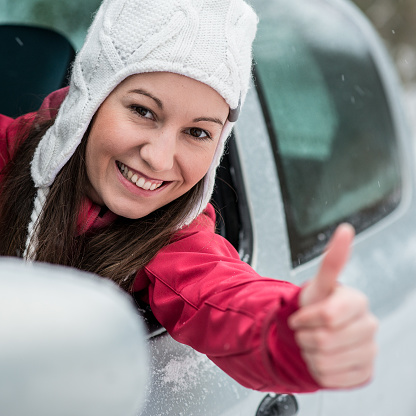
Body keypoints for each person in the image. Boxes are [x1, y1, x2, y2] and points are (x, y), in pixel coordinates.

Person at [0, 0, 377, 393]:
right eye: (143, 111)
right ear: (90, 97)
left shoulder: (174, 239)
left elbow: (225, 297)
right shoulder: (7, 156)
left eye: (198, 133)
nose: (158, 159)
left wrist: (292, 334)